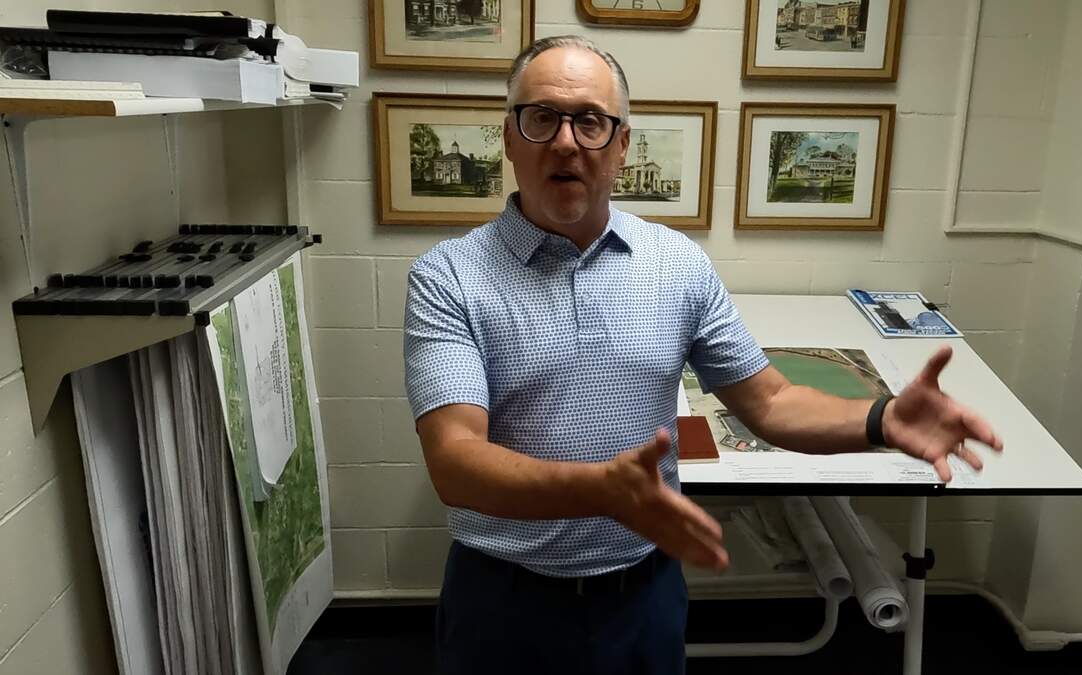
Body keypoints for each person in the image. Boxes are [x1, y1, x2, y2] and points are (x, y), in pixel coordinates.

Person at [404, 35, 1003, 675]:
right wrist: (600, 491)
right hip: (502, 600)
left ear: (622, 145)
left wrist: (880, 419)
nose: (567, 142)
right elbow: (456, 461)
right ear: (509, 136)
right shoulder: (449, 276)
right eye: (543, 117)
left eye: (591, 122)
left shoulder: (677, 264)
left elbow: (770, 402)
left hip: (642, 594)